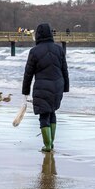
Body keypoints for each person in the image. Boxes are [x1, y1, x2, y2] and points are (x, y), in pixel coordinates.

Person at [22, 23, 70, 152]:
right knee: (52, 112)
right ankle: (51, 143)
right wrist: (66, 87)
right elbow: (64, 70)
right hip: (58, 85)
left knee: (44, 115)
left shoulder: (34, 51)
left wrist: (25, 91)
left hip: (42, 86)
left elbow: (28, 73)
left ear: (38, 35)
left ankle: (47, 145)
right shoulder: (59, 49)